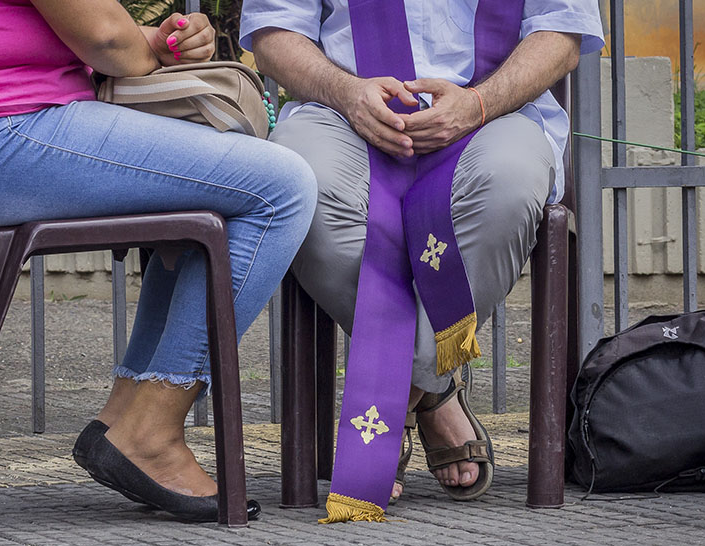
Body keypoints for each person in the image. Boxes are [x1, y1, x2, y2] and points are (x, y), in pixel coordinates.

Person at [0, 0, 317, 522]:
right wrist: (137, 48)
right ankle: (149, 432)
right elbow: (106, 39)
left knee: (218, 191)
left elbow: (73, 29)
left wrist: (148, 40)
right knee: (281, 187)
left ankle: (124, 416)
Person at [241, 0, 604, 508]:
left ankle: (397, 403)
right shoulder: (343, 99)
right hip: (341, 111)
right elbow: (274, 31)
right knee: (298, 191)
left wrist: (477, 104)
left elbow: (561, 33)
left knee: (510, 186)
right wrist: (348, 94)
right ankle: (436, 390)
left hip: (494, 110)